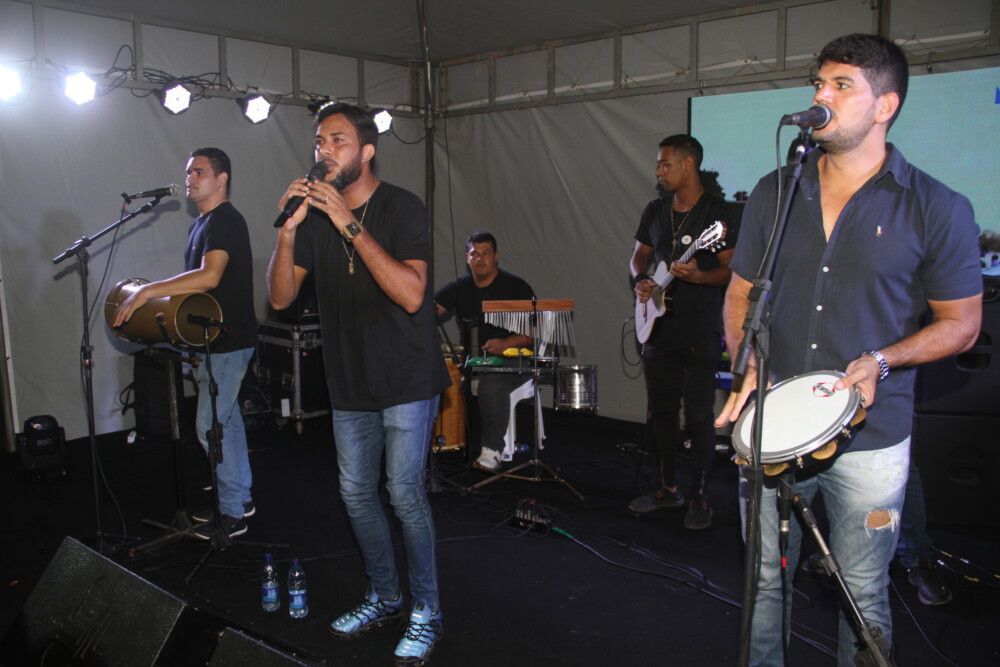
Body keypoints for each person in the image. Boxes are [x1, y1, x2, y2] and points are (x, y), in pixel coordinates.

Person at [715, 34, 982, 666]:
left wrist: (882, 360)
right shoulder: (776, 191)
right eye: (819, 83)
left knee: (861, 589)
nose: (821, 96)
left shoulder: (937, 206)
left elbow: (962, 324)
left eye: (841, 86)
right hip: (774, 424)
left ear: (885, 105)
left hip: (872, 435)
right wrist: (745, 361)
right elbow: (740, 295)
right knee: (764, 583)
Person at [266, 102, 449, 665]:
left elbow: (412, 294)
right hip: (348, 380)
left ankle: (426, 610)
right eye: (319, 141)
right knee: (355, 494)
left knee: (404, 493)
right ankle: (385, 596)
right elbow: (279, 298)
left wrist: (347, 220)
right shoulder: (312, 220)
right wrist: (289, 232)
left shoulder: (401, 206)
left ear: (366, 151)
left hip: (405, 376)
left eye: (337, 140)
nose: (324, 150)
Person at [113, 147, 257, 540]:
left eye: (199, 172)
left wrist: (147, 292)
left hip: (228, 341)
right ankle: (241, 497)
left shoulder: (225, 219)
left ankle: (232, 514)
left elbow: (209, 277)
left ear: (222, 179)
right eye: (188, 172)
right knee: (226, 420)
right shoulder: (202, 223)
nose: (190, 178)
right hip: (211, 341)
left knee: (210, 425)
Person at [629, 134, 740, 530]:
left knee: (698, 415)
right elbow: (639, 257)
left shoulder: (717, 214)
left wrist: (700, 276)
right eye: (659, 164)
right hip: (659, 329)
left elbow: (731, 272)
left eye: (666, 164)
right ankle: (667, 487)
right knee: (662, 412)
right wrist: (641, 280)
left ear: (688, 164)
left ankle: (700, 495)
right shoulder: (656, 210)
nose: (659, 171)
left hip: (700, 329)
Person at [434, 231, 535, 471]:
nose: (479, 259)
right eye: (474, 254)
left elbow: (532, 333)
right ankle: (439, 442)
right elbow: (430, 310)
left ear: (496, 256)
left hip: (514, 360)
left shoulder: (516, 287)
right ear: (467, 258)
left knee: (492, 380)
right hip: (474, 360)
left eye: (486, 253)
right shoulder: (459, 287)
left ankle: (492, 450)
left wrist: (505, 343)